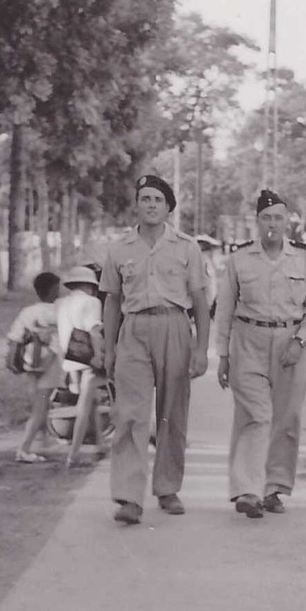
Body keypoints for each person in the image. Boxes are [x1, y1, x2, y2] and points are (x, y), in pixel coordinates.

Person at [101, 174, 210, 526]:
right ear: (136, 204)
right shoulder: (119, 248)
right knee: (130, 415)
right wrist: (108, 347)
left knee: (171, 413)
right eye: (145, 198)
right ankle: (129, 497)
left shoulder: (187, 247)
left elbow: (199, 300)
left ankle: (167, 488)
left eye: (157, 200)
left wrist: (201, 349)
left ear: (168, 208)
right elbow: (112, 301)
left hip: (175, 325)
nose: (150, 205)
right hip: (133, 329)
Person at [215, 189, 306, 518]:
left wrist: (300, 342)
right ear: (257, 222)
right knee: (256, 415)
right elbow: (224, 310)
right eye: (266, 218)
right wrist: (223, 355)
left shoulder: (305, 259)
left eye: (278, 218)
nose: (272, 224)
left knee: (286, 419)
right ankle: (247, 490)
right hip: (248, 340)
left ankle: (274, 488)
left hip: (290, 343)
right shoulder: (239, 259)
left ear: (288, 222)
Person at [6, 271, 64, 463]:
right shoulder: (58, 311)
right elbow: (59, 342)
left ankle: (44, 439)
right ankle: (23, 449)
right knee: (40, 407)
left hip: (30, 363)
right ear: (54, 290)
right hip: (50, 365)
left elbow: (14, 337)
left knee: (40, 403)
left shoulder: (28, 312)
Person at [57, 266, 106, 469]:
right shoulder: (92, 302)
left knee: (92, 403)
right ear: (89, 285)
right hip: (88, 359)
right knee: (84, 408)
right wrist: (99, 356)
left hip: (69, 359)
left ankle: (101, 444)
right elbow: (94, 331)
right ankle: (73, 454)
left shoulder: (61, 303)